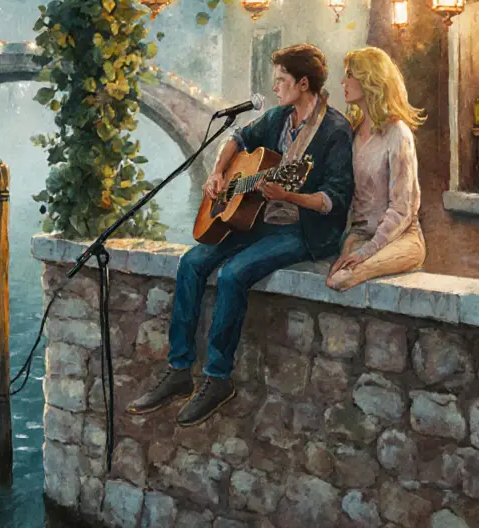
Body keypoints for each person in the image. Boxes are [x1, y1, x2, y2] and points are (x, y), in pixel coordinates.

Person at [127, 43, 354, 427]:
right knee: (192, 262)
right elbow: (237, 137)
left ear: (303, 83)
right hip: (262, 218)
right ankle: (179, 370)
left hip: (304, 228)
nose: (274, 86)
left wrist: (288, 195)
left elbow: (335, 200)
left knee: (233, 274)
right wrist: (219, 172)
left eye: (281, 80)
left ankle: (218, 378)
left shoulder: (335, 130)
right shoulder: (279, 117)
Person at [326, 47, 426, 291]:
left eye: (350, 75)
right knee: (332, 277)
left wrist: (365, 252)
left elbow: (403, 208)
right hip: (360, 235)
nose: (343, 81)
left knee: (342, 279)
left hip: (401, 237)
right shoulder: (352, 132)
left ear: (369, 79)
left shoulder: (397, 134)